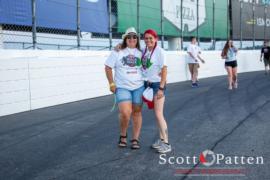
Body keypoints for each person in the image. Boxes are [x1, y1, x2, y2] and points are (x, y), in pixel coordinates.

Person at [104, 27, 144, 149]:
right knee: (126, 113)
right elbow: (107, 67)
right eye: (129, 37)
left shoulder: (142, 52)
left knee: (136, 112)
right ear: (125, 39)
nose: (132, 39)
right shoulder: (118, 51)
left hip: (139, 87)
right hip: (122, 87)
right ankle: (123, 135)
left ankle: (135, 138)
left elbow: (150, 65)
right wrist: (111, 83)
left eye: (134, 37)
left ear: (137, 39)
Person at [142, 29, 171, 153]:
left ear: (156, 39)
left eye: (151, 38)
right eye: (146, 38)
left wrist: (161, 88)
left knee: (159, 114)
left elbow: (164, 70)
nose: (148, 40)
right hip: (149, 84)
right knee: (157, 115)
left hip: (158, 85)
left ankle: (166, 143)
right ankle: (161, 140)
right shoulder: (145, 51)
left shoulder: (160, 51)